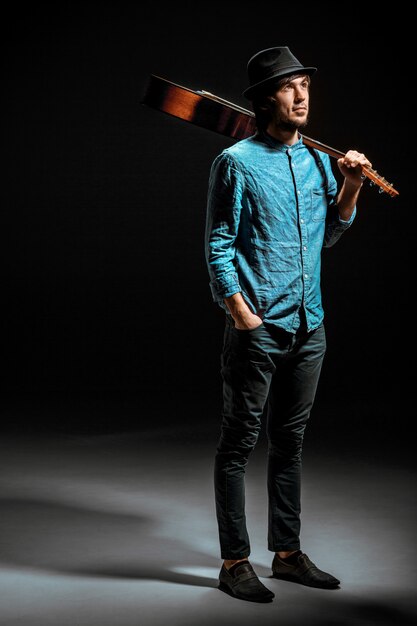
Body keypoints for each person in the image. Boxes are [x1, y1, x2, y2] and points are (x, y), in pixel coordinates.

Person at [204, 46, 371, 603]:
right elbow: (219, 246)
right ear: (263, 99)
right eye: (287, 87)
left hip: (309, 324)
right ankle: (234, 562)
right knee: (237, 445)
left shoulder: (320, 160)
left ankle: (287, 553)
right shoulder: (237, 162)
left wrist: (350, 185)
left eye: (305, 85)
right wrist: (241, 314)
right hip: (259, 328)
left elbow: (330, 234)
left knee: (290, 443)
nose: (301, 96)